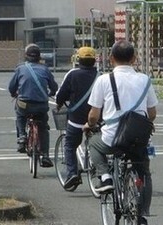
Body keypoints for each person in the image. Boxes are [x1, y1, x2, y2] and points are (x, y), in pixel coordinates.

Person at [83, 40, 158, 225]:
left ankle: (105, 177)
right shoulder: (144, 79)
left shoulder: (103, 80)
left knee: (93, 143)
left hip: (112, 138)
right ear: (134, 58)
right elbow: (152, 113)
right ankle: (142, 213)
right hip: (138, 138)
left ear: (111, 59)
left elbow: (94, 115)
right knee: (144, 172)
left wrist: (90, 125)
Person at [8, 43, 58, 168]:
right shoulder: (45, 69)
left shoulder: (20, 68)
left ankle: (22, 137)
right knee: (43, 128)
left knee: (20, 115)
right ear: (39, 57)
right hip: (41, 105)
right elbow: (54, 86)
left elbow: (11, 87)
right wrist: (51, 92)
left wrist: (14, 93)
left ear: (26, 55)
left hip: (24, 103)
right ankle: (45, 155)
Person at [56, 46, 99, 189]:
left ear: (78, 60)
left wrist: (59, 103)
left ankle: (72, 173)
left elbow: (61, 95)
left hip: (76, 119)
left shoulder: (72, 74)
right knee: (99, 144)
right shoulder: (101, 76)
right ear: (94, 60)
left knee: (69, 145)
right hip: (97, 118)